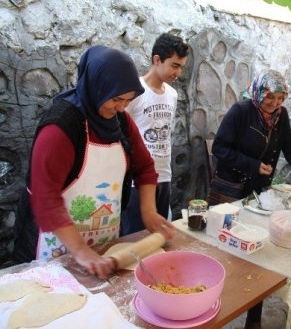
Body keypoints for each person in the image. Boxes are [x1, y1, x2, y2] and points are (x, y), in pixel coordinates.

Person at [12, 46, 175, 279]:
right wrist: (79, 249)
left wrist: (148, 212)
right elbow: (45, 196)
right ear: (97, 86)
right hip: (52, 246)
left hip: (102, 245)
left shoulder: (121, 122)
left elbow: (145, 168)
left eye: (127, 101)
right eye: (117, 99)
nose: (121, 107)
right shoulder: (60, 127)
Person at [210, 69, 291, 329]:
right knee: (223, 248)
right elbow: (219, 148)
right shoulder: (241, 112)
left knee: (256, 252)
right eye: (270, 97)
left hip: (258, 192)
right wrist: (252, 165)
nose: (275, 103)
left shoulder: (280, 116)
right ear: (258, 92)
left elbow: (290, 147)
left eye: (281, 98)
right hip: (229, 189)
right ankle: (214, 304)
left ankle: (253, 318)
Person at [121, 33, 189, 235]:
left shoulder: (172, 94)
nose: (178, 72)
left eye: (181, 67)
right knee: (135, 236)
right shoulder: (135, 92)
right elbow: (122, 135)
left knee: (157, 236)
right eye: (175, 65)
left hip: (163, 174)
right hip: (137, 180)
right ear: (157, 60)